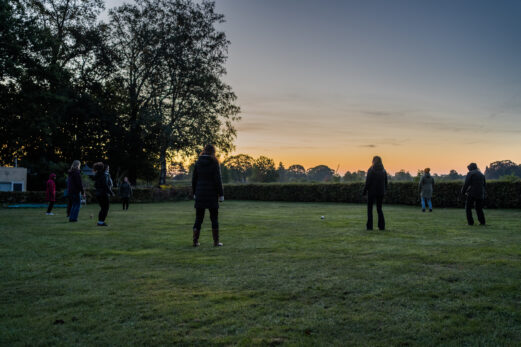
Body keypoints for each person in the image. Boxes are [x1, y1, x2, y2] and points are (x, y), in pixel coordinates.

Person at [192, 144, 224, 247]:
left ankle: (195, 242)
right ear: (213, 152)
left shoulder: (198, 163)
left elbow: (194, 180)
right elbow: (218, 180)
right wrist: (221, 194)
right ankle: (216, 242)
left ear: (204, 151)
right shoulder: (214, 163)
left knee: (198, 219)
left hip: (200, 194)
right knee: (214, 219)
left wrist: (194, 193)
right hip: (212, 194)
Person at [363, 156, 388, 231]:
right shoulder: (384, 170)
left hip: (371, 192)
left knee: (369, 209)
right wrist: (385, 190)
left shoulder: (371, 170)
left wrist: (364, 191)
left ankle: (369, 226)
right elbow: (386, 182)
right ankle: (382, 226)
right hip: (381, 192)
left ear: (373, 161)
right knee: (379, 209)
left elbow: (367, 182)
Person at [94, 162, 113, 226]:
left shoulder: (97, 175)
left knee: (102, 208)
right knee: (105, 208)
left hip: (98, 194)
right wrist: (111, 192)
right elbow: (105, 185)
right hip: (103, 194)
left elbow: (96, 185)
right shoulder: (104, 175)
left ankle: (100, 222)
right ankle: (101, 222)